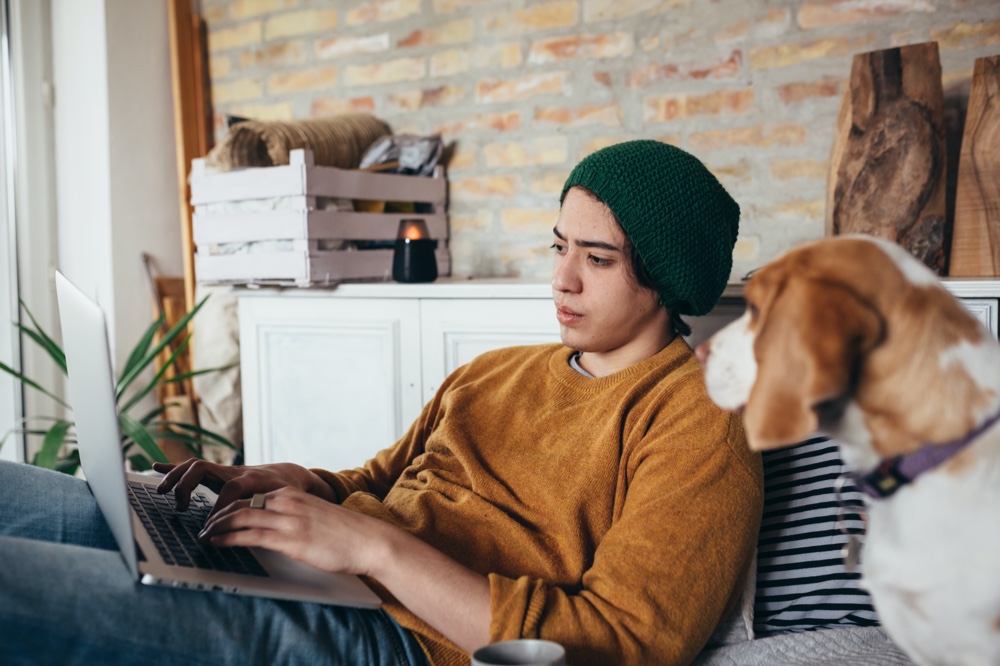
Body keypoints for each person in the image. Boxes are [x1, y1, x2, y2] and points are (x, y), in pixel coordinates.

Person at [0, 140, 763, 666]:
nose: (562, 280)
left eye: (596, 259)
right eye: (559, 246)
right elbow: (379, 479)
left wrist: (370, 550)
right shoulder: (498, 372)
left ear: (667, 280)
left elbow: (619, 646)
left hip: (401, 642)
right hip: (323, 575)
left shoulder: (696, 421)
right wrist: (297, 484)